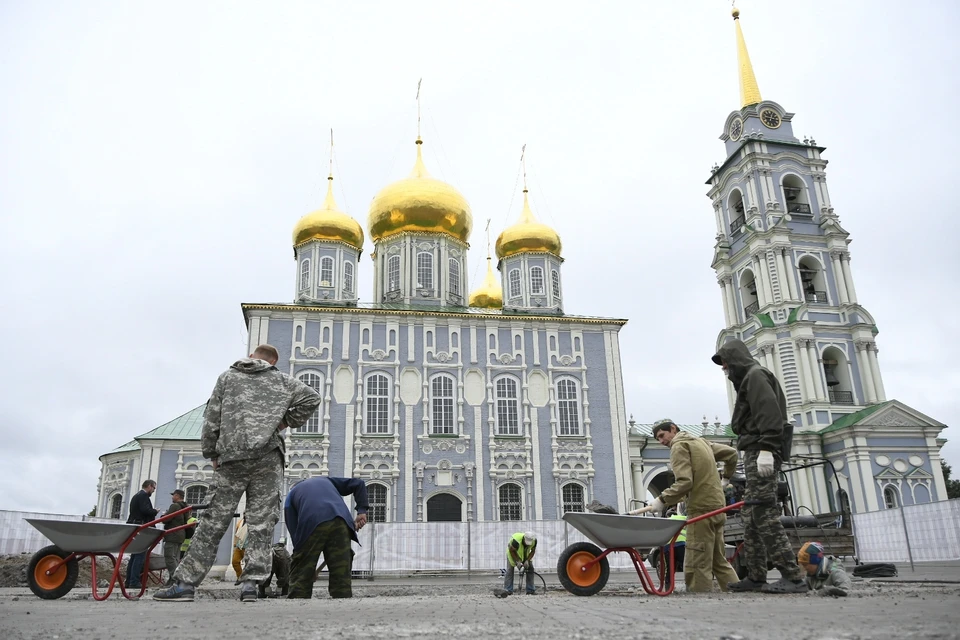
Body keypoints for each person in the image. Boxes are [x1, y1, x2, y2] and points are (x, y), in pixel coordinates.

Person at [154, 344, 321, 602]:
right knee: (261, 522)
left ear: (253, 357)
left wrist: (212, 453)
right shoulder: (282, 381)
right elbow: (312, 398)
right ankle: (251, 586)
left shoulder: (228, 377)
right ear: (273, 361)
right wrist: (284, 421)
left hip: (232, 457)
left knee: (213, 521)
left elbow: (212, 416)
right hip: (268, 458)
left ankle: (185, 585)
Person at [712, 339, 808, 594]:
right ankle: (756, 576)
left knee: (764, 513)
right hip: (755, 449)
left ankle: (793, 577)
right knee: (751, 516)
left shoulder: (755, 377)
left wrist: (767, 448)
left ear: (734, 360)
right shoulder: (750, 378)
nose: (724, 369)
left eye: (725, 364)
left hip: (761, 450)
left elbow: (770, 414)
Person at [629, 420, 740, 592]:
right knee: (718, 561)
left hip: (701, 510)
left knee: (697, 562)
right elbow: (732, 453)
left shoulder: (679, 447)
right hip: (718, 508)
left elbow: (685, 482)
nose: (661, 441)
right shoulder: (702, 443)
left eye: (662, 435)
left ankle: (699, 603)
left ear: (673, 429)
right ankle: (738, 594)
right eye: (657, 439)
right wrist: (726, 477)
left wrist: (662, 500)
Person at [285, 476, 369, 599]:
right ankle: (342, 599)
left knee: (300, 578)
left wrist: (304, 563)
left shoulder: (291, 495)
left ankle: (298, 600)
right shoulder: (326, 481)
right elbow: (359, 483)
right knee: (341, 569)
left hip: (312, 521)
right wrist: (362, 511)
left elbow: (295, 533)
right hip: (341, 520)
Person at [125, 479, 158, 589]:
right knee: (140, 555)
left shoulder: (136, 496)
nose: (153, 491)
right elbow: (145, 510)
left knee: (134, 555)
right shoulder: (143, 496)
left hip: (134, 526)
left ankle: (129, 580)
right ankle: (134, 581)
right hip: (141, 527)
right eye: (153, 488)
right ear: (149, 486)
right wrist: (154, 512)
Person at [495, 532, 538, 597]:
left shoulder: (534, 541)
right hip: (512, 554)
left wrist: (527, 560)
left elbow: (533, 551)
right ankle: (508, 590)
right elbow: (512, 551)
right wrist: (517, 561)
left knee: (530, 569)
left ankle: (530, 590)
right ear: (524, 539)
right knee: (510, 570)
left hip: (525, 555)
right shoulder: (516, 541)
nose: (528, 545)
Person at [161, 490, 189, 586]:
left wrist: (163, 516)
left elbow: (166, 519)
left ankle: (175, 578)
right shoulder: (185, 507)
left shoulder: (175, 506)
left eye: (173, 496)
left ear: (177, 496)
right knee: (176, 558)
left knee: (169, 557)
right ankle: (174, 579)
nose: (172, 497)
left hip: (172, 534)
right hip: (181, 534)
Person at [232, 515, 248, 586]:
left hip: (247, 547)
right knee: (235, 562)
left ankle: (248, 581)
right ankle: (240, 577)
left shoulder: (253, 523)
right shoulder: (240, 522)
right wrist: (235, 543)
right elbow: (236, 533)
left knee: (248, 564)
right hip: (239, 546)